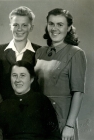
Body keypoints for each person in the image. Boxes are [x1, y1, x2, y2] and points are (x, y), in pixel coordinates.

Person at [34, 8, 87, 140]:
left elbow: (78, 92)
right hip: (39, 117)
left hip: (61, 119)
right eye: (51, 24)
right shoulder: (40, 52)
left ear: (69, 28)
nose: (54, 28)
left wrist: (69, 126)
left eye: (60, 24)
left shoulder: (76, 53)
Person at [0, 61, 61, 139]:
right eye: (14, 75)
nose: (18, 80)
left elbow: (54, 134)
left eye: (22, 75)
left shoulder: (42, 101)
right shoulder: (4, 104)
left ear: (31, 79)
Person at [0, 6, 40, 100]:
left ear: (31, 27)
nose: (19, 29)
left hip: (31, 106)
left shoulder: (39, 51)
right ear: (10, 26)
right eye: (15, 25)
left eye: (24, 25)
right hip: (3, 105)